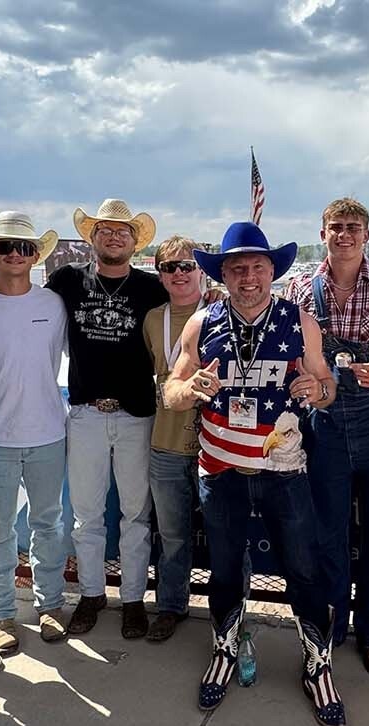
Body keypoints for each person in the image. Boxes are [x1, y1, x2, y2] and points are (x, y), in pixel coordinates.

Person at [163, 221, 343, 726]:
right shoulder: (202, 322)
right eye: (237, 268)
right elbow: (171, 393)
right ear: (223, 274)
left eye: (257, 267)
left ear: (272, 271)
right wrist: (190, 388)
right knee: (223, 569)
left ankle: (318, 664)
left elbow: (327, 387)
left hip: (283, 469)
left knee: (303, 570)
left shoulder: (299, 321)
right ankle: (223, 650)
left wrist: (317, 389)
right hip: (220, 469)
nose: (248, 277)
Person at [286, 197, 369, 678]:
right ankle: (332, 627)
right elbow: (290, 353)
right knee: (328, 535)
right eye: (336, 227)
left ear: (367, 234)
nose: (344, 235)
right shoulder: (301, 288)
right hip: (323, 424)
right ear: (322, 233)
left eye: (353, 227)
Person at [50, 199, 169, 639]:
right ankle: (92, 593)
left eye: (123, 231)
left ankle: (133, 598)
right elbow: (23, 299)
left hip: (137, 413)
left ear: (135, 242)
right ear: (92, 237)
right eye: (105, 229)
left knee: (136, 513)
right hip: (85, 412)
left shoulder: (153, 288)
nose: (114, 237)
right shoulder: (66, 280)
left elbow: (186, 308)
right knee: (86, 514)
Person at [0, 211, 72, 654]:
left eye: (24, 247)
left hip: (48, 433)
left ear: (35, 255)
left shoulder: (53, 304)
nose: (15, 254)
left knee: (49, 525)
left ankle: (50, 604)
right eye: (5, 246)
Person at [142, 235, 206, 642]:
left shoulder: (219, 311)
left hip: (215, 446)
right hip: (164, 443)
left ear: (200, 270)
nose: (179, 274)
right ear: (161, 275)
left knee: (229, 538)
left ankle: (230, 612)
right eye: (170, 267)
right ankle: (170, 606)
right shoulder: (152, 320)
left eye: (187, 266)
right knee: (172, 535)